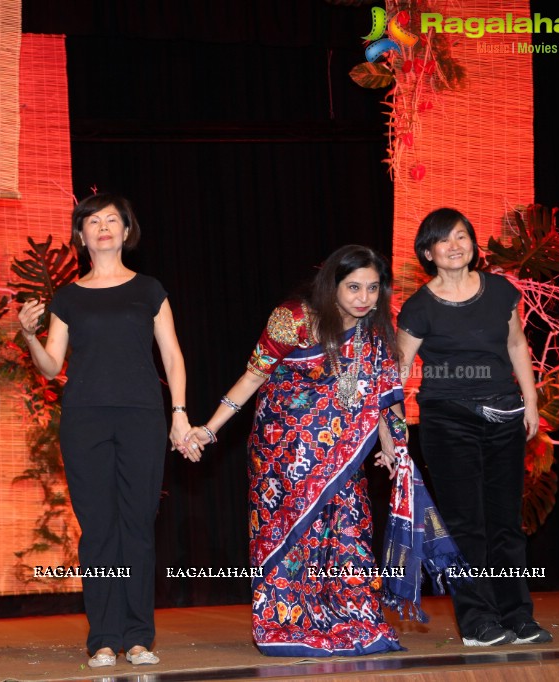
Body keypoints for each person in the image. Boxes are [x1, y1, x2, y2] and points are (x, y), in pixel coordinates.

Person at [185, 245, 464, 657]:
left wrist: (394, 449)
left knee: (347, 532)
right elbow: (252, 377)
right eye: (353, 287)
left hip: (343, 452)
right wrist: (209, 430)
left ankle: (355, 620)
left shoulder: (375, 332)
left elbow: (384, 399)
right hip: (284, 449)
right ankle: (287, 624)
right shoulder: (293, 318)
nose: (363, 298)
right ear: (331, 284)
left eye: (372, 288)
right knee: (294, 536)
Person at [16, 193, 189, 668]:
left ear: (126, 231)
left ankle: (138, 636)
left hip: (141, 416)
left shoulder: (149, 289)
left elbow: (171, 354)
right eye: (93, 221)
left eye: (112, 219)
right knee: (97, 530)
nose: (104, 226)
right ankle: (104, 639)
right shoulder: (69, 297)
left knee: (136, 525)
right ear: (82, 236)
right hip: (85, 419)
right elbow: (52, 366)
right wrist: (29, 333)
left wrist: (178, 412)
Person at [397, 208, 551, 647]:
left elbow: (517, 345)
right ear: (428, 252)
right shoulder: (419, 307)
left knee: (506, 523)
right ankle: (478, 621)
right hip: (448, 420)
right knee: (467, 524)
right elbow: (401, 369)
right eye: (443, 240)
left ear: (472, 243)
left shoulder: (501, 291)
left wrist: (531, 402)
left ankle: (518, 616)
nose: (455, 246)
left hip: (504, 414)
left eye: (461, 236)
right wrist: (387, 425)